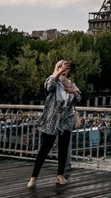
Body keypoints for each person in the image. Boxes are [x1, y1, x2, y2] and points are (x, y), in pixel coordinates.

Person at [27, 60, 81, 189]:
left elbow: (79, 98)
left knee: (63, 148)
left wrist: (73, 91)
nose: (65, 69)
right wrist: (58, 73)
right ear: (57, 67)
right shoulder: (52, 79)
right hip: (52, 119)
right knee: (45, 148)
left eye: (66, 67)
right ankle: (33, 178)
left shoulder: (71, 83)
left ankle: (60, 175)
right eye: (62, 66)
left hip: (66, 119)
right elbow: (48, 86)